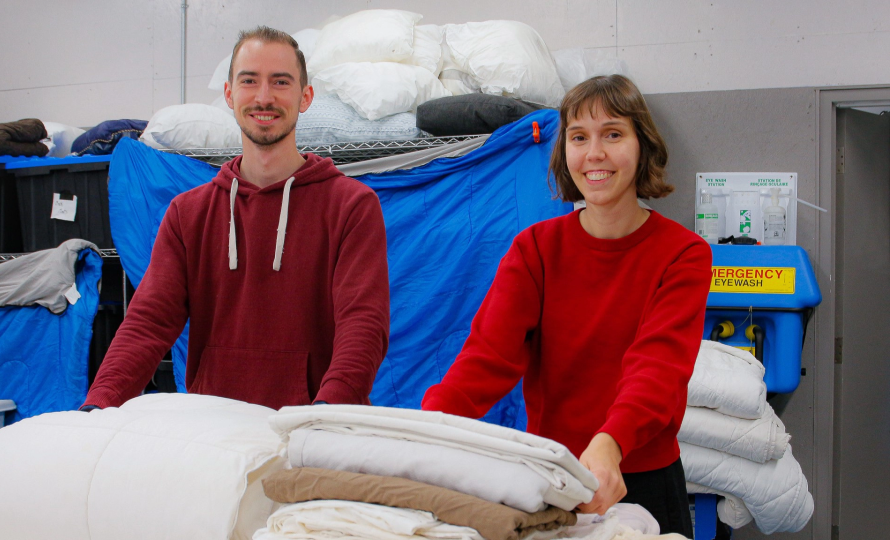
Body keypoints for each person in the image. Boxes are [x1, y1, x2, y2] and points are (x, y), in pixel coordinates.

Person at [420, 75, 711, 537]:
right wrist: (429, 428)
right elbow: (487, 357)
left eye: (613, 134)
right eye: (579, 137)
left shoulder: (683, 253)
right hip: (553, 479)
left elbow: (658, 365)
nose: (594, 153)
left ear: (643, 146)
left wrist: (611, 443)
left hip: (640, 477)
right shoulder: (535, 248)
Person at [82, 27, 390, 411]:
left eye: (281, 82)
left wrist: (329, 411)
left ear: (305, 97)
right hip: (214, 432)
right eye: (249, 81)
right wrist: (99, 404)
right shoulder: (187, 214)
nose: (264, 97)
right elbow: (149, 322)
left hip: (311, 431)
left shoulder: (351, 206)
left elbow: (363, 325)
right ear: (229, 94)